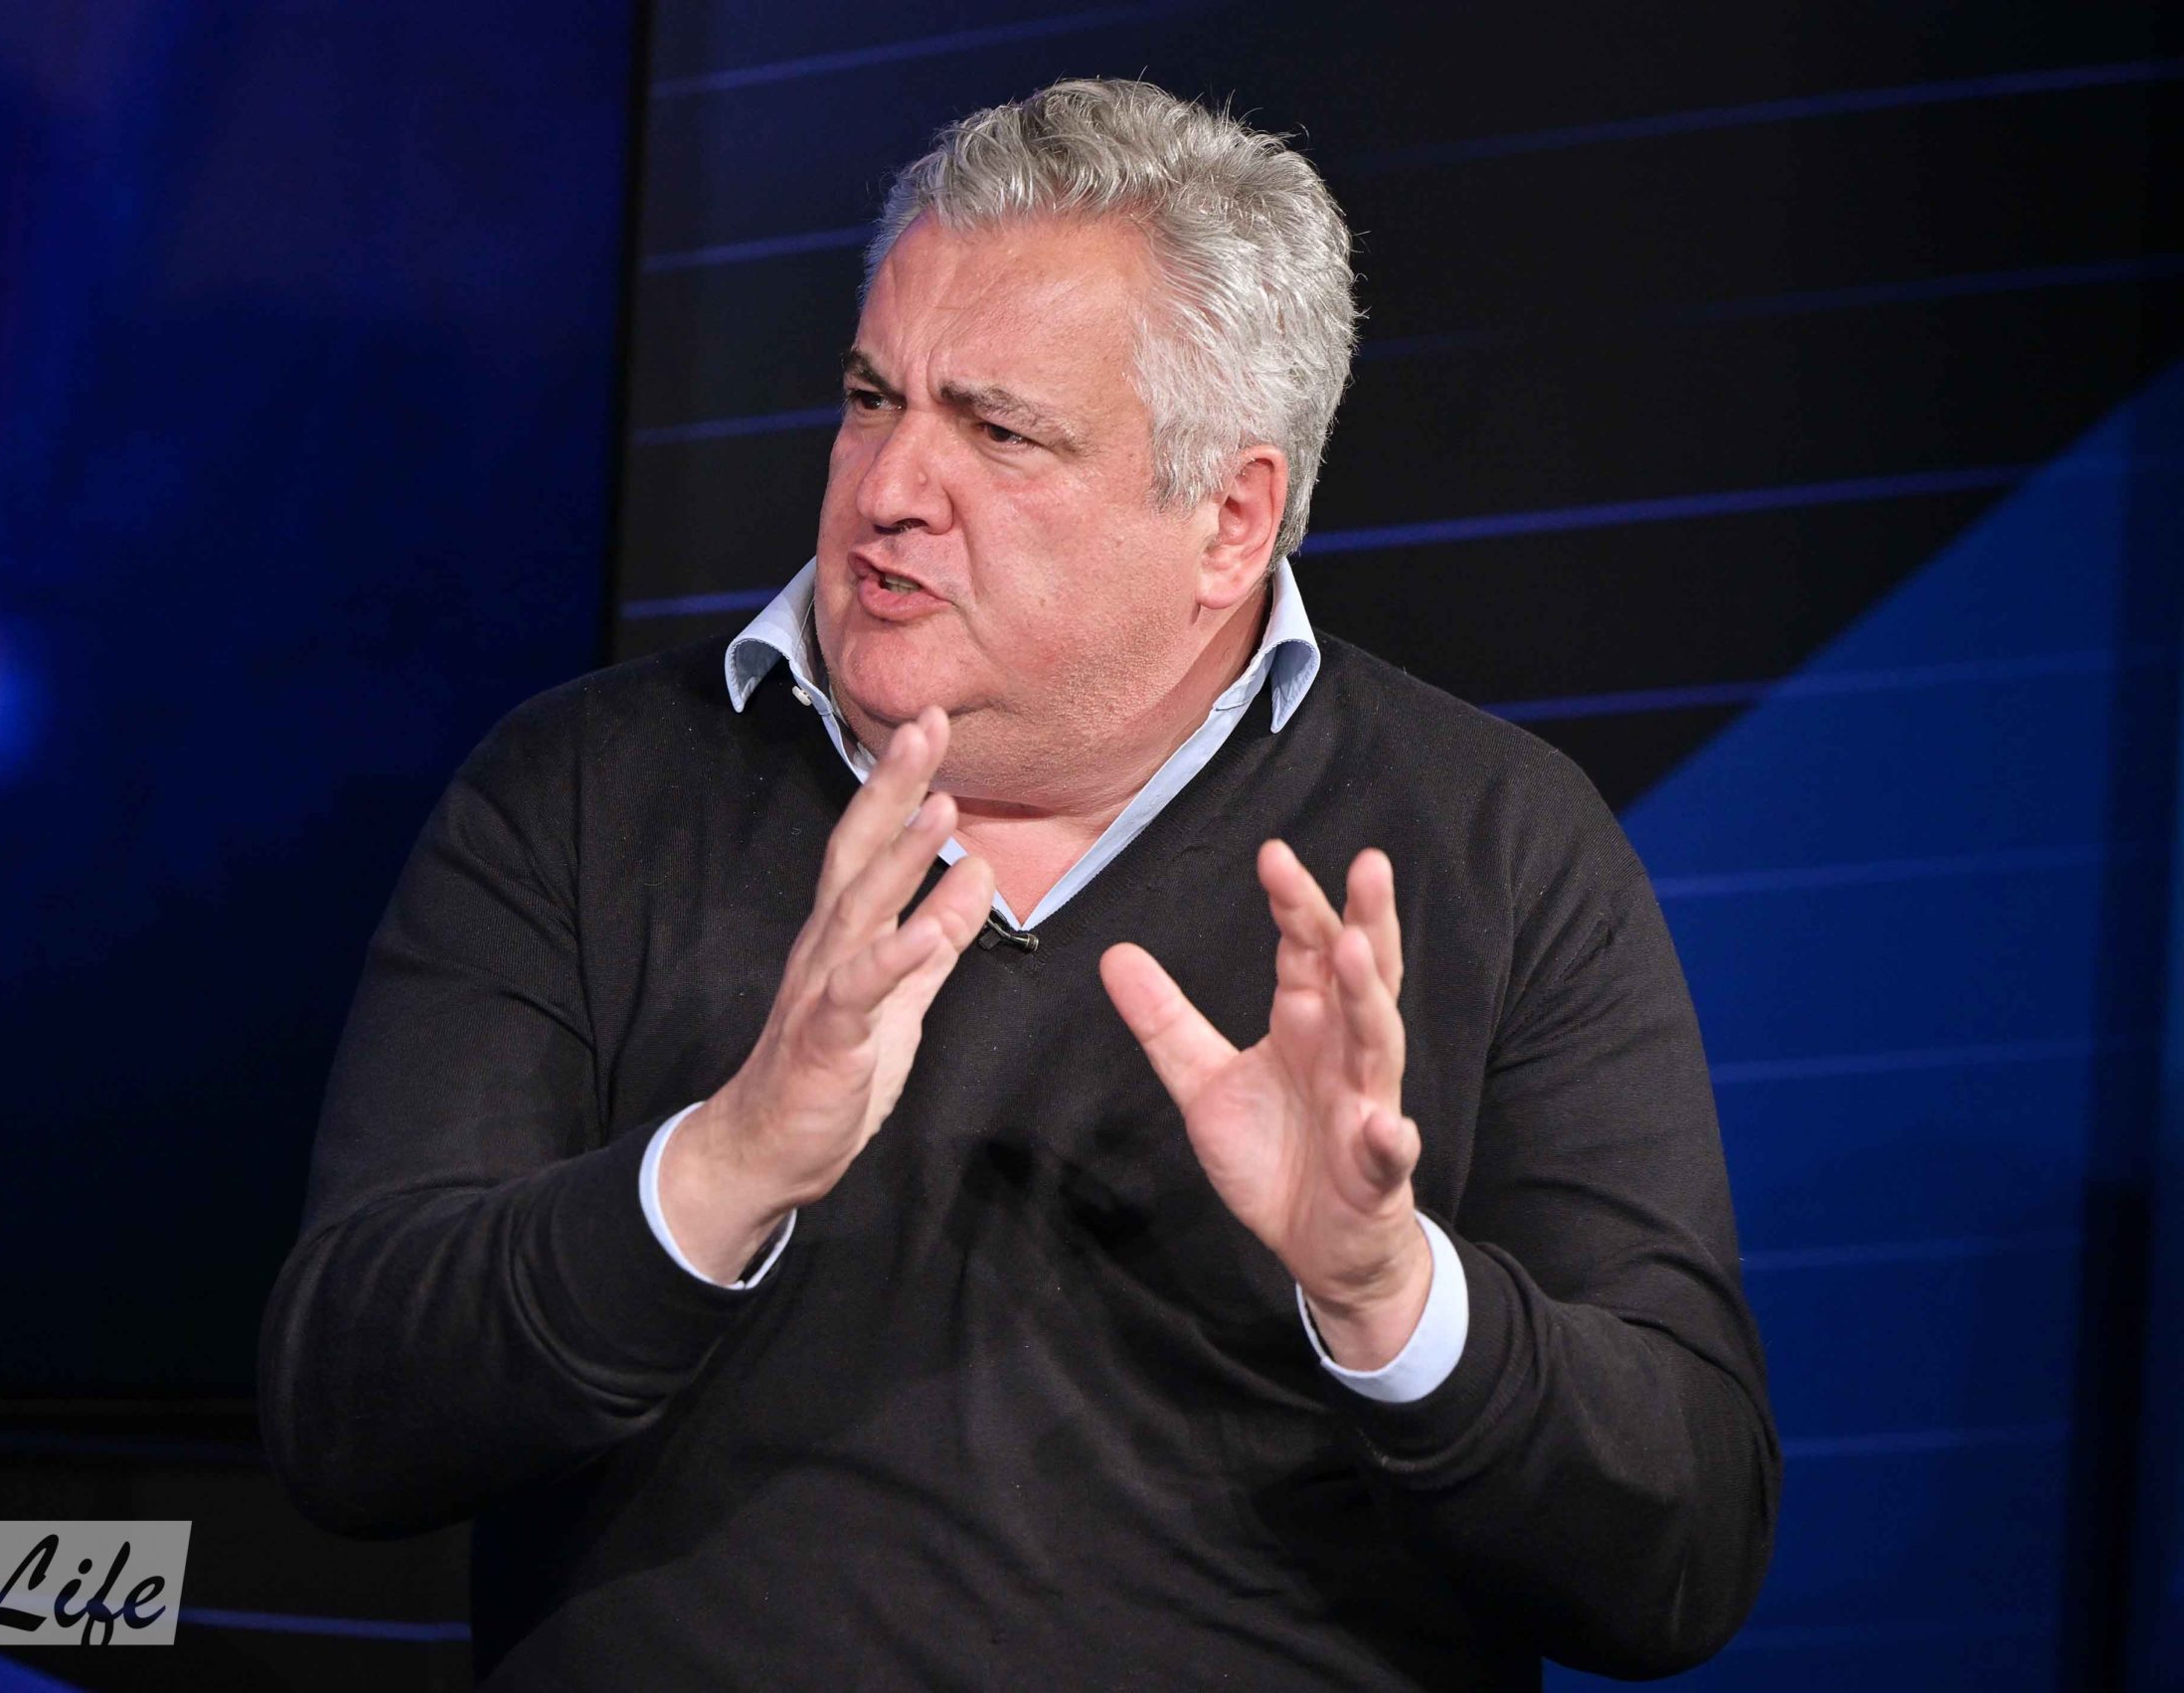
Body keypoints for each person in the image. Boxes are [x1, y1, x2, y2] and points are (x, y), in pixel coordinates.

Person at [259, 78, 1778, 1689]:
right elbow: (350, 1417)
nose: (888, 488)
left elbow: (1682, 1556)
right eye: (872, 398)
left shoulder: (1496, 849)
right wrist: (722, 1167)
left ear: (1230, 521)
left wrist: (1389, 1297)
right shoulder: (588, 793)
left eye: (998, 431)